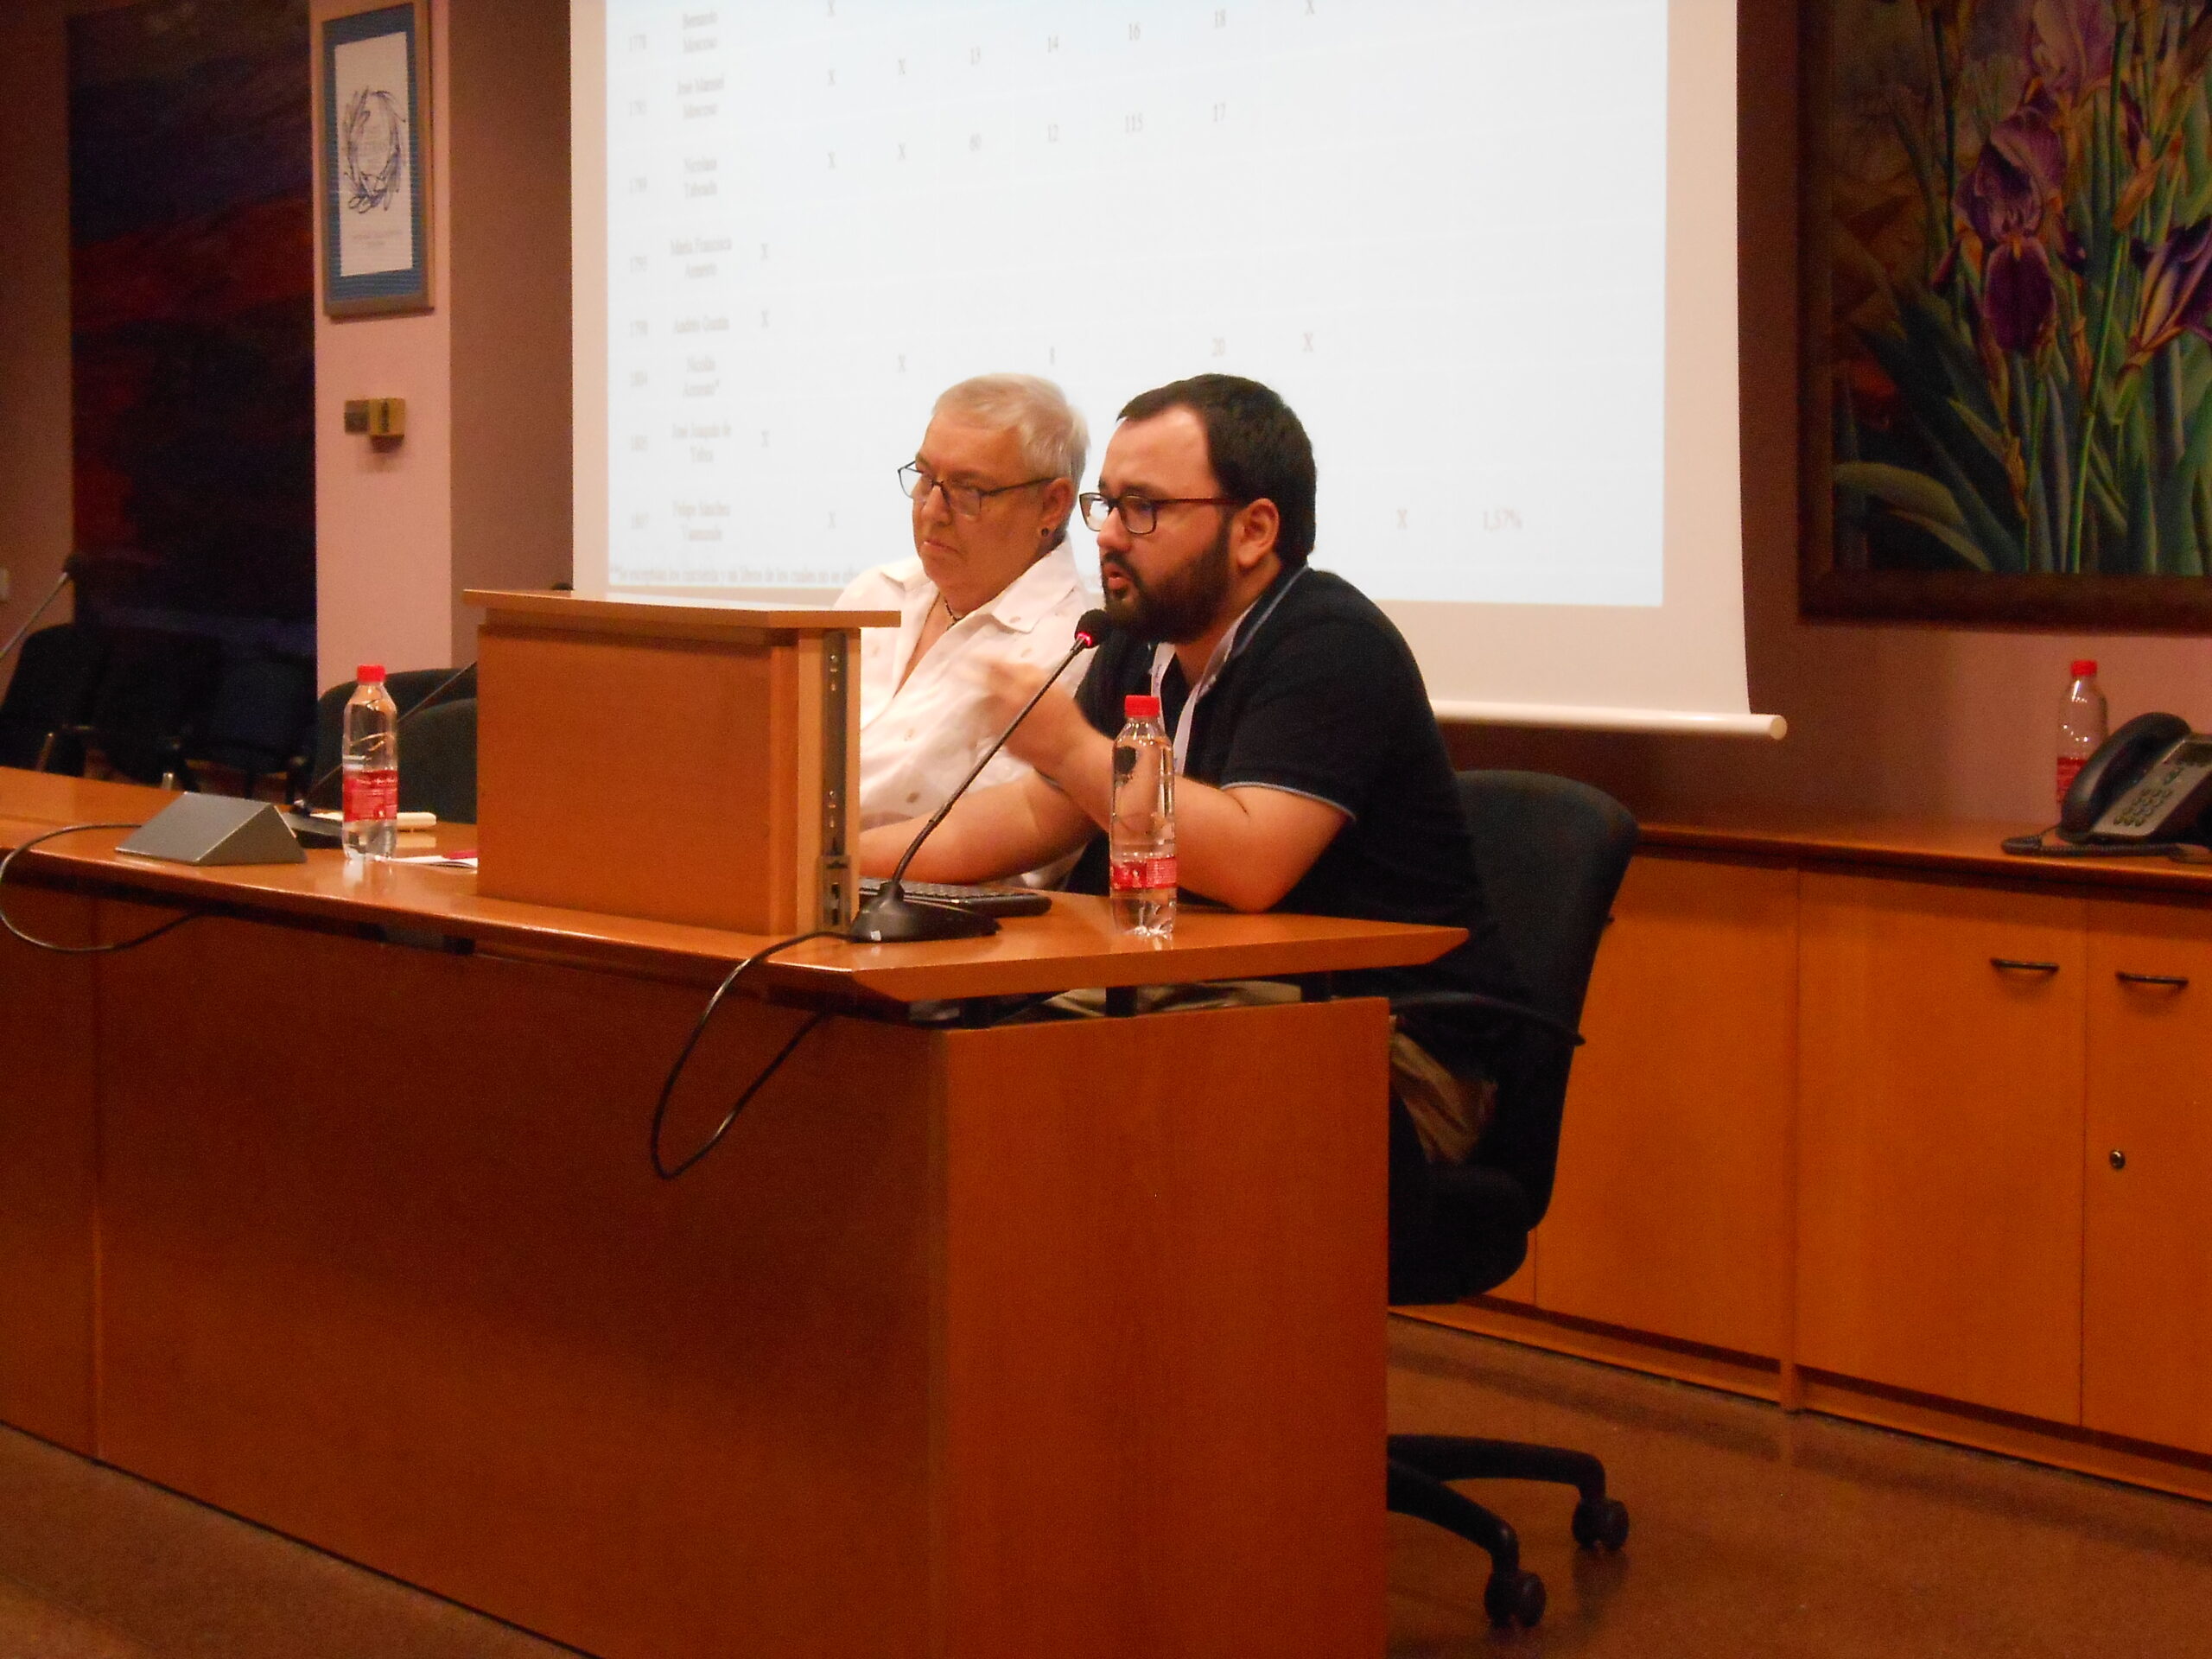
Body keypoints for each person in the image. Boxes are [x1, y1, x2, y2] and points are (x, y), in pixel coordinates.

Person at [855, 373, 1529, 1267]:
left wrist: (1072, 747)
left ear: (1254, 529)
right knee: (926, 1056)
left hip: (1389, 1051)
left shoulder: (1331, 644)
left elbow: (1251, 861)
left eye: (1143, 509)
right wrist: (835, 861)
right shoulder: (1138, 640)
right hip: (1209, 1007)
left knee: (1026, 1094)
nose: (1105, 534)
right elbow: (1032, 813)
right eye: (1106, 504)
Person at [836, 373, 1097, 831]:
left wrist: (814, 861)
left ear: (1052, 505)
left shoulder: (1070, 648)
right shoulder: (874, 592)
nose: (931, 511)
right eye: (925, 479)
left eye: (968, 491)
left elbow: (1002, 849)